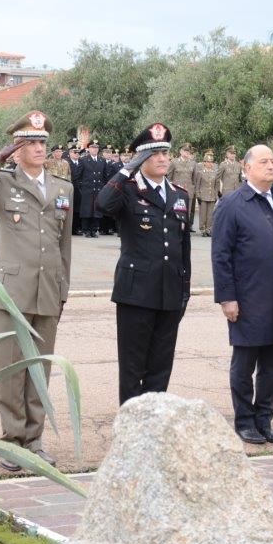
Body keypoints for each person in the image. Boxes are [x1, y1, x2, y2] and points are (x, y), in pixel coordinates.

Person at [0, 110, 72, 470]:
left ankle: (34, 441)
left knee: (40, 370)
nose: (39, 148)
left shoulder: (62, 188)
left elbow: (64, 245)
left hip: (48, 289)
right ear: (17, 147)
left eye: (43, 141)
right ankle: (12, 441)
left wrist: (63, 289)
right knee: (11, 371)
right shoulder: (1, 183)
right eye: (31, 142)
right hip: (11, 291)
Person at [212, 144, 273, 445]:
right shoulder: (232, 204)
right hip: (247, 299)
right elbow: (221, 255)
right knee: (244, 365)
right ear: (247, 167)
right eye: (264, 161)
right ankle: (244, 421)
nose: (271, 166)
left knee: (272, 365)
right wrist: (227, 297)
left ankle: (264, 419)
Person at [96, 123, 191, 405]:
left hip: (169, 291)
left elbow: (183, 247)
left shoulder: (179, 194)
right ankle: (130, 422)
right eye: (154, 153)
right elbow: (102, 204)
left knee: (161, 366)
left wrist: (184, 290)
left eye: (165, 153)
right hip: (136, 293)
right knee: (132, 366)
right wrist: (128, 168)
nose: (162, 158)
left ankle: (154, 421)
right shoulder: (127, 190)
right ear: (141, 158)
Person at [78, 140, 107, 237]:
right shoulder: (83, 160)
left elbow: (104, 176)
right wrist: (81, 188)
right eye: (92, 147)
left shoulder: (102, 160)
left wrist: (103, 188)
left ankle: (94, 230)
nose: (94, 149)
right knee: (87, 210)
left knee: (96, 211)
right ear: (89, 149)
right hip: (87, 189)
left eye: (96, 147)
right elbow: (79, 176)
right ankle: (86, 230)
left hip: (98, 189)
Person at [170, 144, 197, 232]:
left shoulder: (193, 163)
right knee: (177, 210)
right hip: (177, 191)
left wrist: (193, 189)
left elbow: (194, 179)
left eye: (188, 151)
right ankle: (175, 228)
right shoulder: (174, 162)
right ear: (181, 151)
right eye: (185, 151)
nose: (187, 153)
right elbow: (169, 177)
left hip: (188, 191)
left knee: (187, 212)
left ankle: (185, 229)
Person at [192, 149, 219, 236]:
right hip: (203, 196)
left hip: (212, 196)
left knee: (210, 214)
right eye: (208, 162)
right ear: (204, 163)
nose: (210, 163)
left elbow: (216, 185)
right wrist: (198, 195)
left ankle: (208, 229)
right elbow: (197, 185)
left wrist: (216, 196)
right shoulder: (200, 173)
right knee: (203, 214)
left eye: (211, 162)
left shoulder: (215, 173)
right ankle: (202, 229)